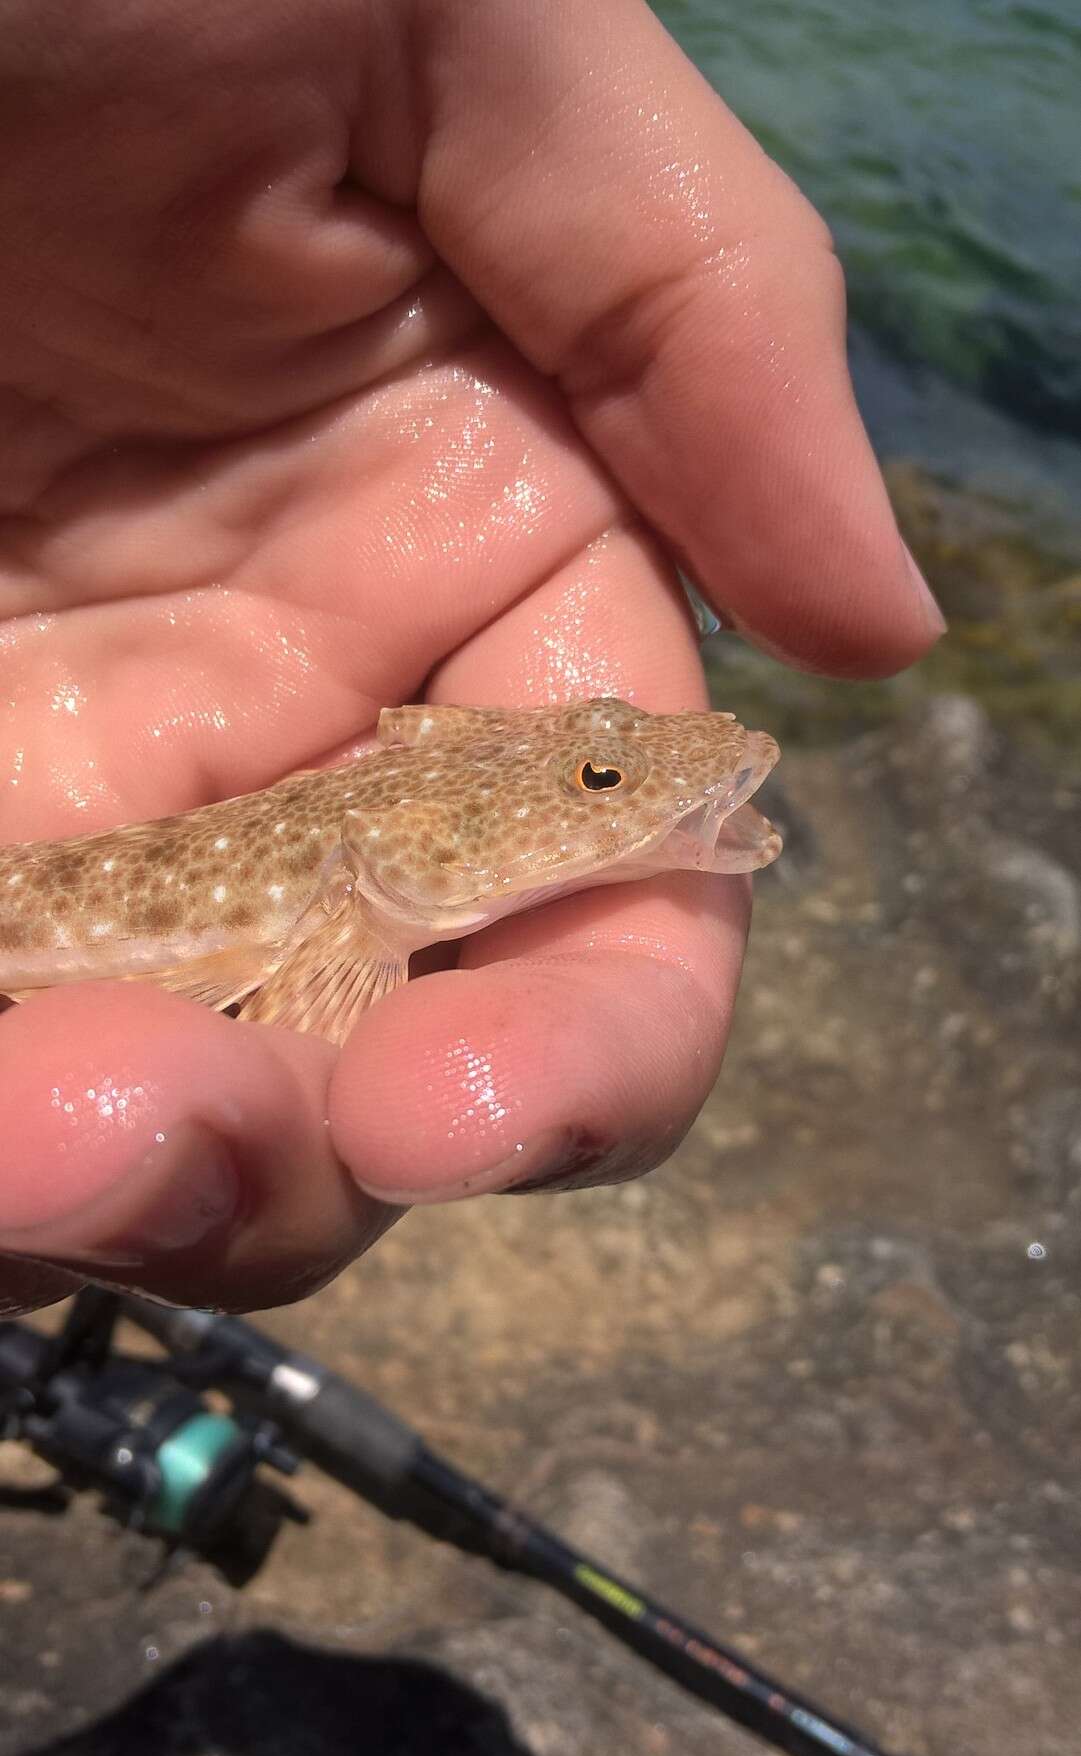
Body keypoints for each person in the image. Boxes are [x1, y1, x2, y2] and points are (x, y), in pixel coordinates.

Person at [0, 0, 943, 1316]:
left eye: (593, 772)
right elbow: (312, 1010)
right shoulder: (366, 891)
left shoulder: (401, 831)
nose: (660, 777)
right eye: (599, 782)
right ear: (409, 852)